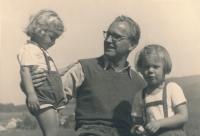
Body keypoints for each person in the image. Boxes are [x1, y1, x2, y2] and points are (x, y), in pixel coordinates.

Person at [29, 15, 146, 136]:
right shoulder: (84, 68)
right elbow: (50, 97)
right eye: (108, 34)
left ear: (132, 44)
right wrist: (28, 85)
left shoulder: (140, 83)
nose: (108, 40)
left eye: (116, 37)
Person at [17, 9, 69, 136]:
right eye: (52, 37)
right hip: (43, 98)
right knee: (50, 133)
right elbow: (25, 71)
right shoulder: (29, 49)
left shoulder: (41, 50)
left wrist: (67, 69)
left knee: (54, 133)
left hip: (53, 98)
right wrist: (31, 94)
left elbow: (51, 73)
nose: (53, 42)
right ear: (41, 31)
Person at [132, 44, 188, 136]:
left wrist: (159, 123)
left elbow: (183, 116)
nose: (150, 70)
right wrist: (138, 129)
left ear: (165, 68)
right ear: (140, 69)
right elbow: (138, 123)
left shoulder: (172, 88)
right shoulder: (139, 96)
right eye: (146, 66)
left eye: (155, 66)